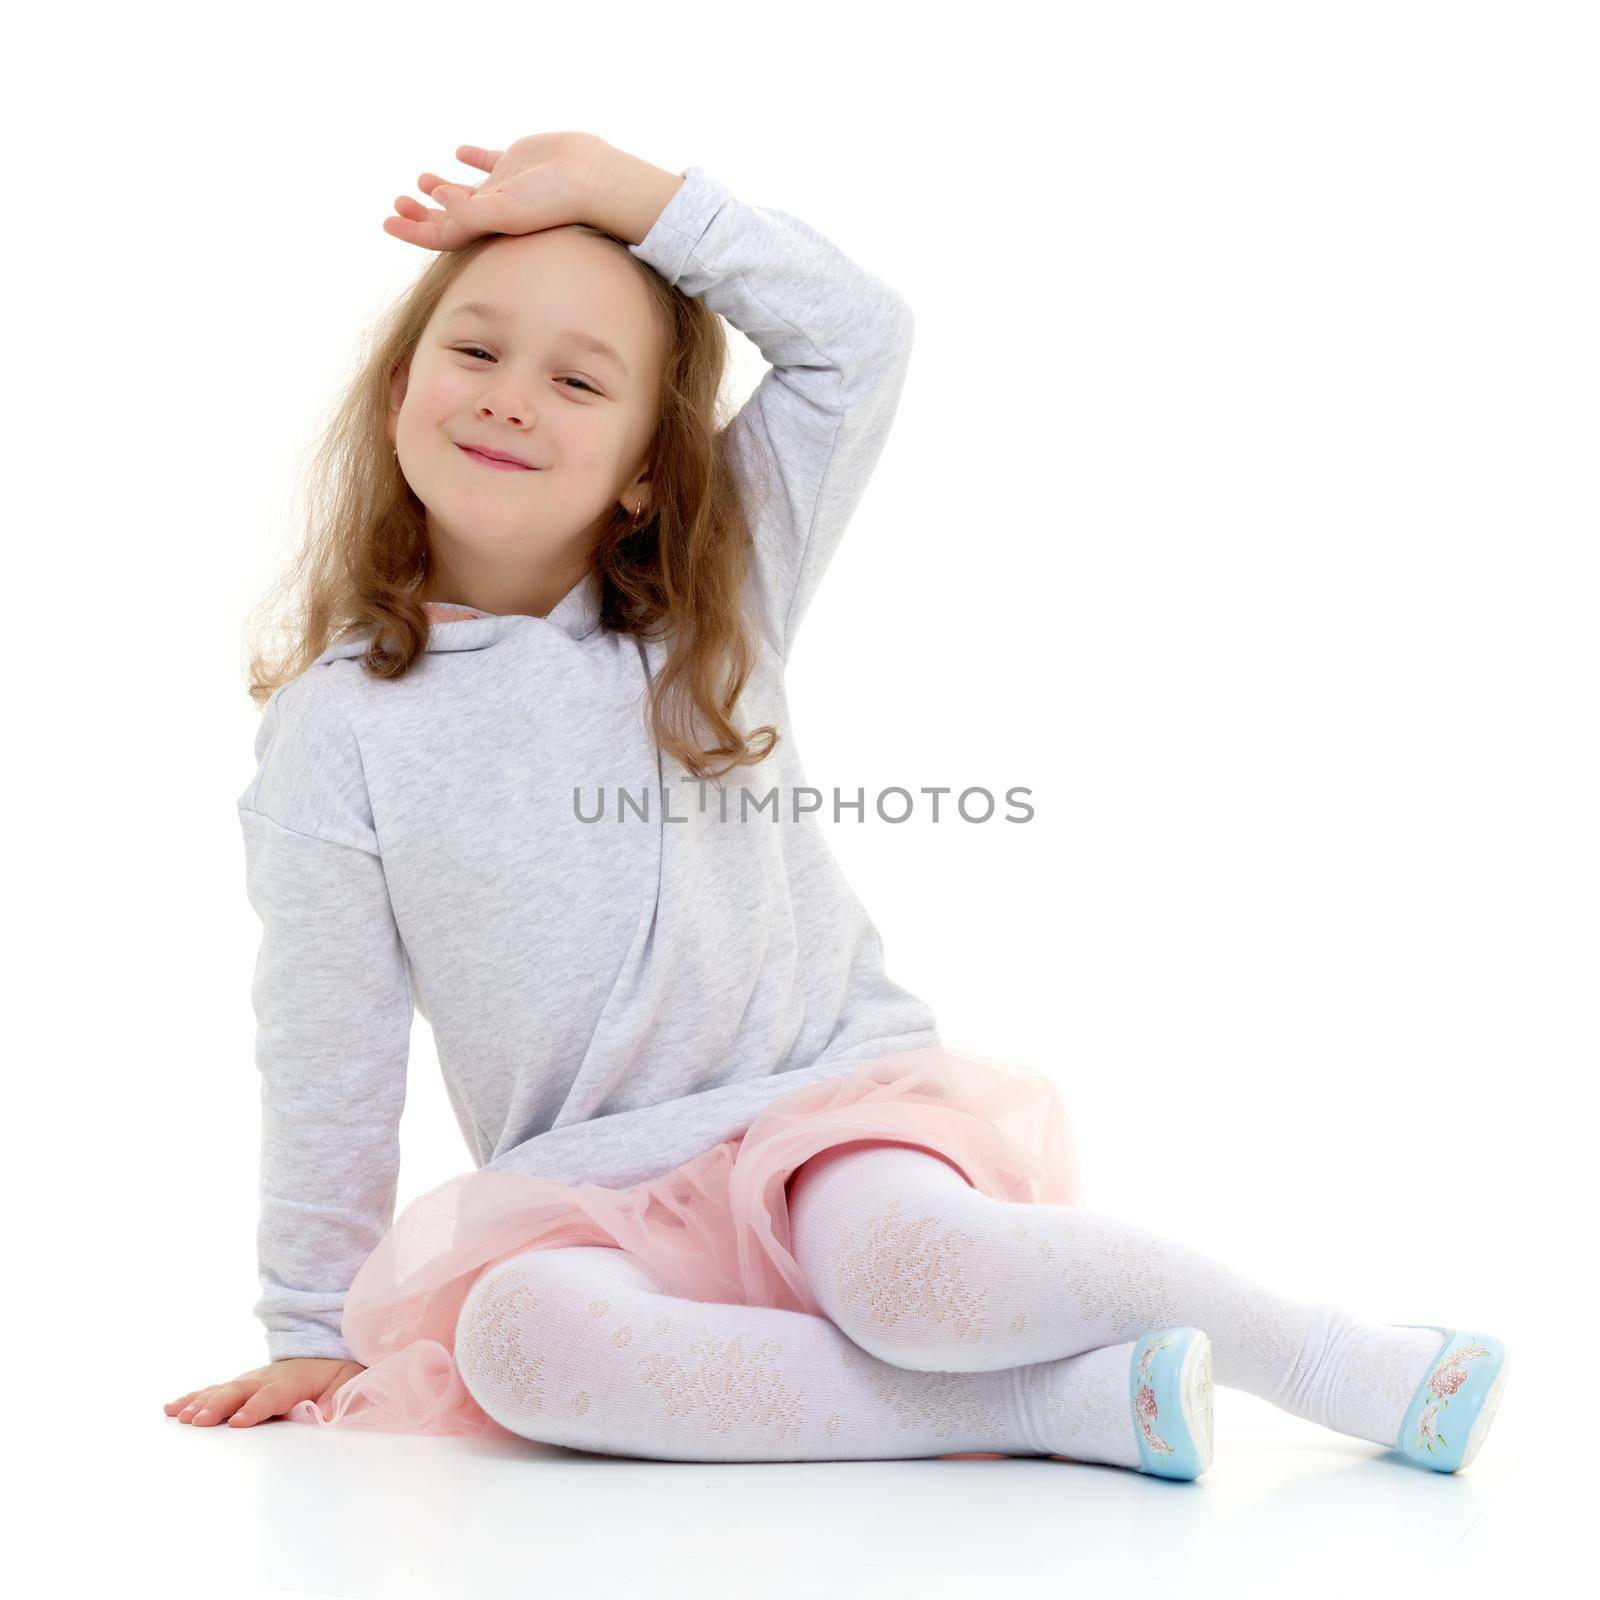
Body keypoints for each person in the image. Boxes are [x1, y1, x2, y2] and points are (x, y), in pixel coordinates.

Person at [163, 133, 1508, 1476]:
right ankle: (1064, 1407)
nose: (513, 398)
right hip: (585, 1195)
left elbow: (856, 341)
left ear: (644, 469)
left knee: (921, 1275)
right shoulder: (337, 728)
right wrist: (309, 1319)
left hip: (827, 1118)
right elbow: (324, 1039)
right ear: (400, 387)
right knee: (518, 1348)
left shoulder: (707, 602)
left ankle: (1342, 1361)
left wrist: (634, 199)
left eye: (578, 379)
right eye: (475, 353)